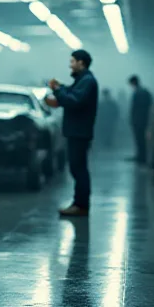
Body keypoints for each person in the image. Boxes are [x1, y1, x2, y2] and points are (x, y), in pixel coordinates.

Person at [44, 49, 99, 217]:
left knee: (78, 169)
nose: (70, 64)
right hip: (77, 131)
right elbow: (73, 94)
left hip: (79, 132)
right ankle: (79, 203)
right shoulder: (83, 80)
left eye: (73, 61)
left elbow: (74, 100)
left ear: (81, 62)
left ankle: (81, 205)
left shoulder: (88, 81)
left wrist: (58, 91)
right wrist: (60, 88)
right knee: (77, 168)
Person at [128, 75, 153, 166]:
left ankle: (141, 157)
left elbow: (134, 108)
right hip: (144, 119)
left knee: (139, 139)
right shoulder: (145, 91)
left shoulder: (138, 92)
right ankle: (141, 156)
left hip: (138, 120)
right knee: (141, 139)